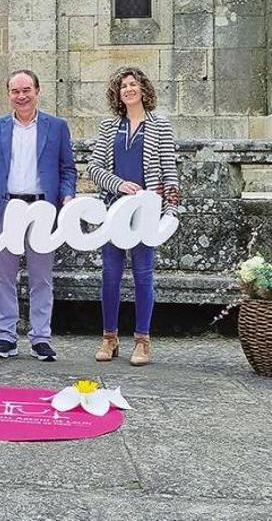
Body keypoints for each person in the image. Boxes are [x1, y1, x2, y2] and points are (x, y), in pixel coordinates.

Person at [0, 69, 76, 362]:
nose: (21, 96)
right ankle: (6, 337)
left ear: (37, 91)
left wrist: (67, 196)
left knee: (42, 279)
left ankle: (40, 338)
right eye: (15, 91)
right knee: (3, 277)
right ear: (9, 95)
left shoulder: (56, 127)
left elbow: (67, 169)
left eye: (26, 90)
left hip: (42, 210)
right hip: (6, 210)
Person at [87, 66, 179, 366]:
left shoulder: (160, 126)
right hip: (115, 209)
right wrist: (118, 184)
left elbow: (170, 171)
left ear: (143, 89)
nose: (128, 89)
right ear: (118, 93)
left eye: (133, 84)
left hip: (147, 210)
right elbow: (94, 168)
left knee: (143, 274)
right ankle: (109, 337)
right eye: (123, 85)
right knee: (110, 275)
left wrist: (171, 211)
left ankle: (142, 341)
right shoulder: (109, 127)